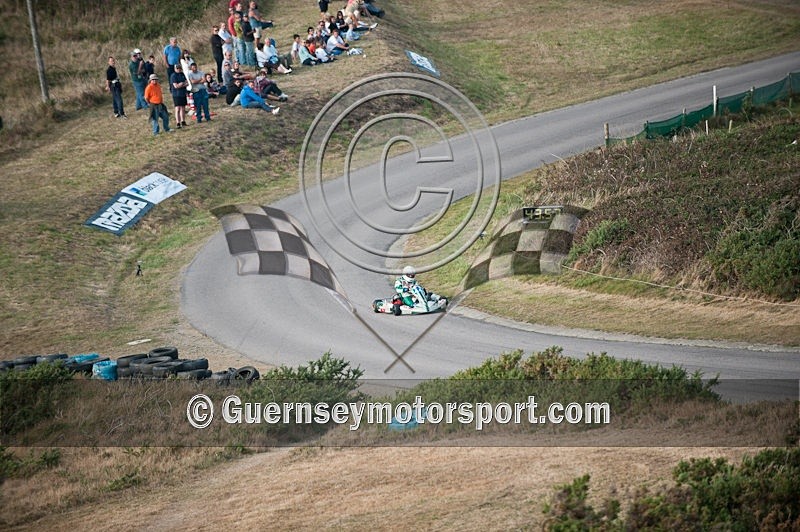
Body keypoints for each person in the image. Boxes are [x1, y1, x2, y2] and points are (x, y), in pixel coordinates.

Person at [169, 63, 189, 128]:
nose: (179, 69)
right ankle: (178, 122)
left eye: (179, 68)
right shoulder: (173, 76)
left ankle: (183, 121)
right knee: (177, 108)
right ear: (175, 69)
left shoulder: (182, 74)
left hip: (183, 93)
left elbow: (187, 83)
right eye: (177, 68)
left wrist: (181, 84)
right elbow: (176, 86)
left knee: (183, 108)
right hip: (176, 94)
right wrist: (182, 84)